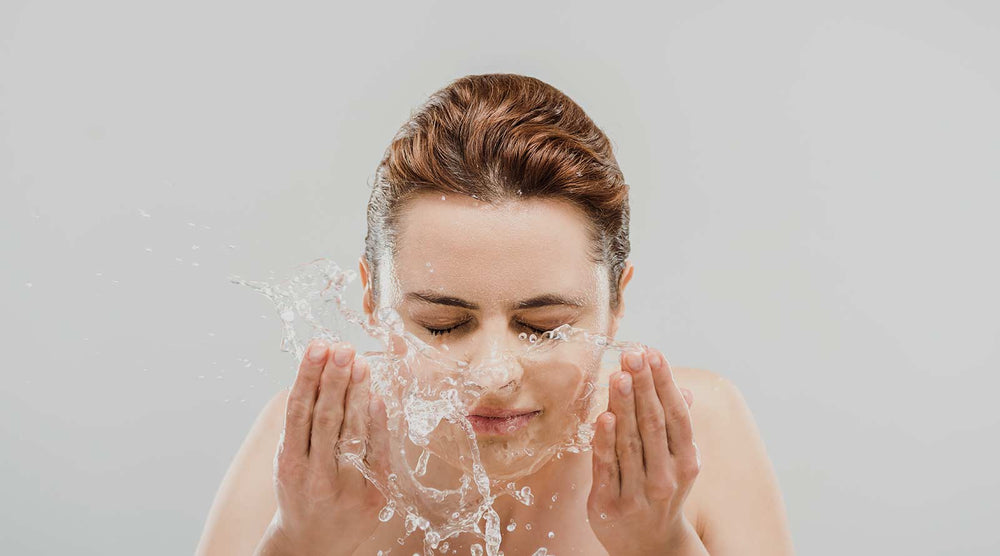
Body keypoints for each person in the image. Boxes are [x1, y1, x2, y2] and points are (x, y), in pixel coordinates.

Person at [195, 73, 795, 555]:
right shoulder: (312, 449)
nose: (492, 374)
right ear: (373, 298)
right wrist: (300, 545)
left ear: (616, 305)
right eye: (442, 325)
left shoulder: (697, 433)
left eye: (542, 326)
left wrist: (662, 547)